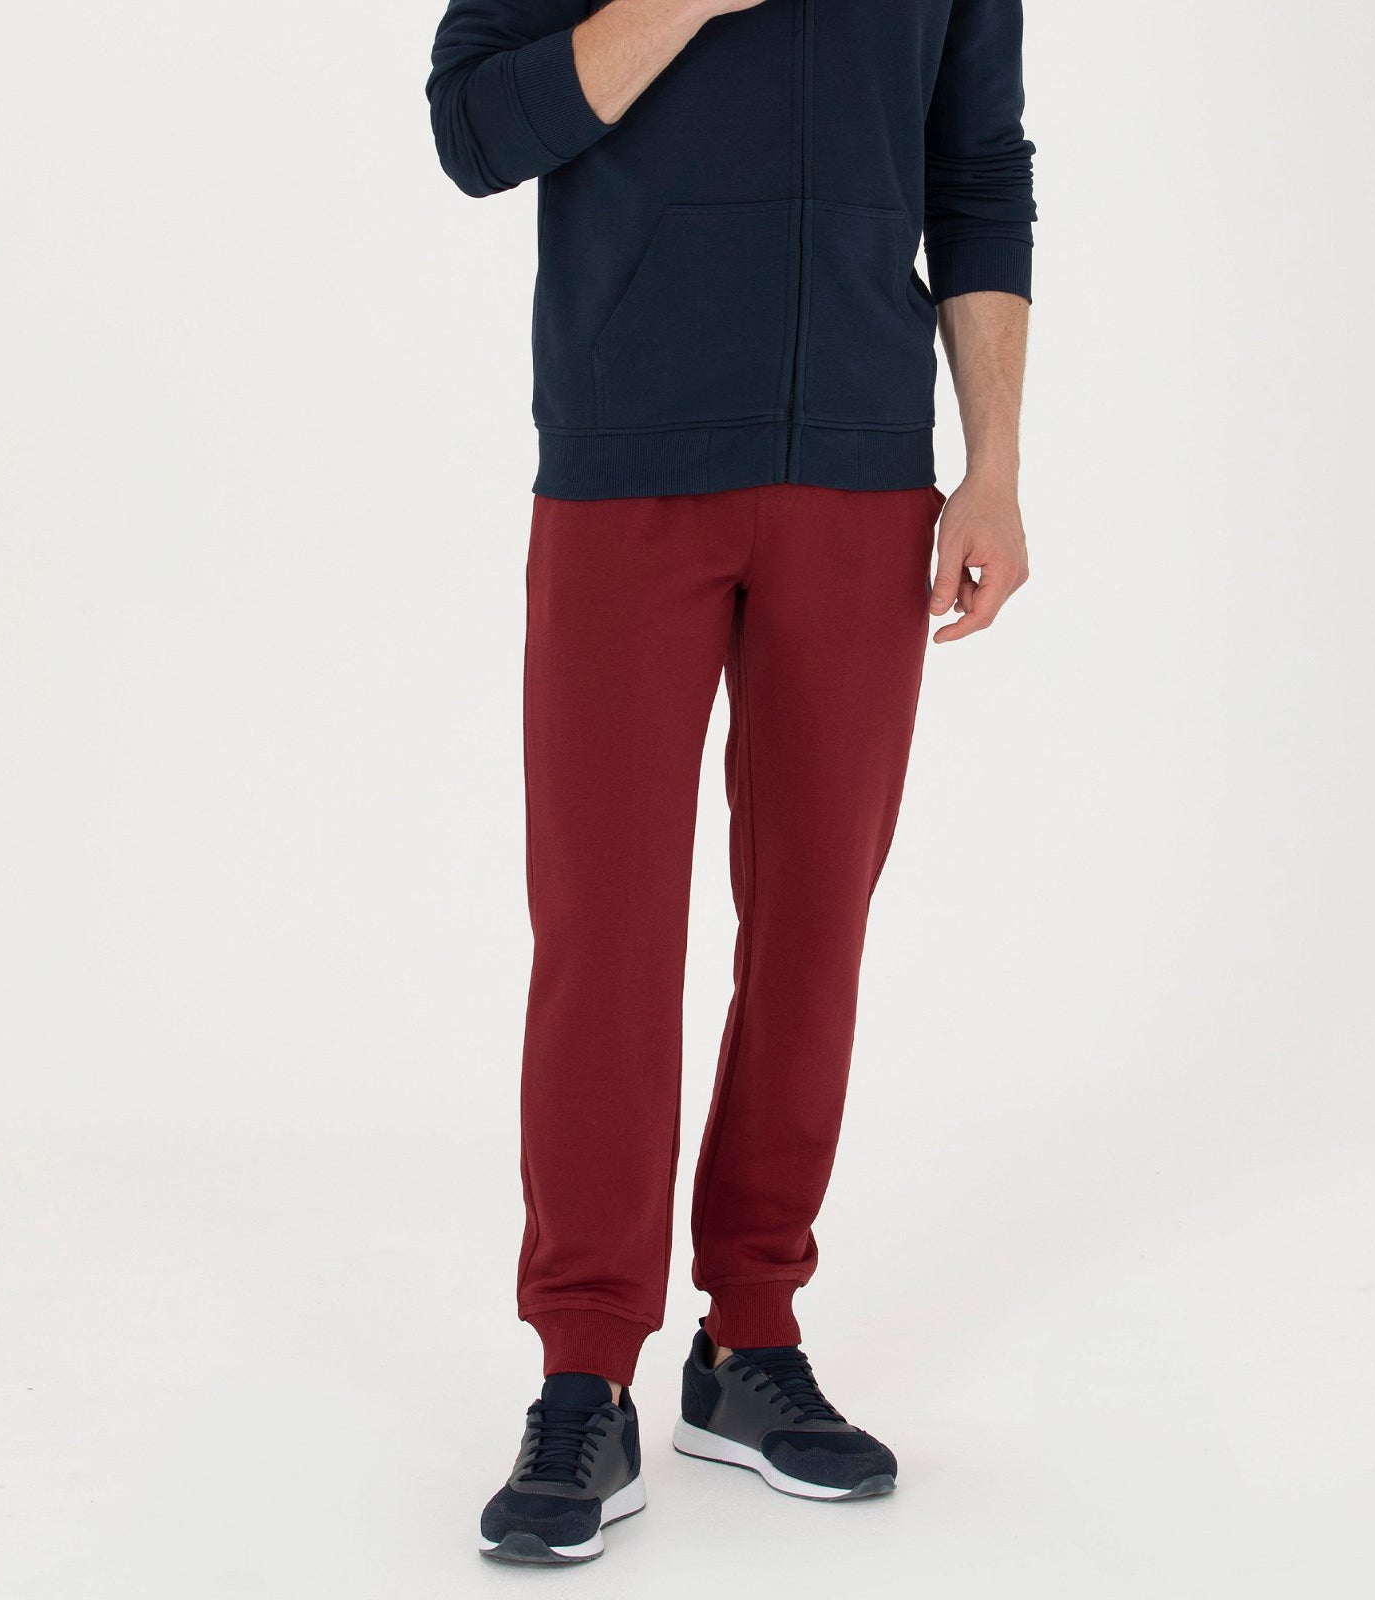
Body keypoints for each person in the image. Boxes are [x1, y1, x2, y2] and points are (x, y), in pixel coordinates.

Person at [426, 0, 1035, 1564]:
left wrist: (994, 465)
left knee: (814, 926)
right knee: (607, 935)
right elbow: (473, 133)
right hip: (626, 464)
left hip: (863, 473)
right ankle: (583, 1372)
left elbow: (977, 171)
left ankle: (749, 1341)